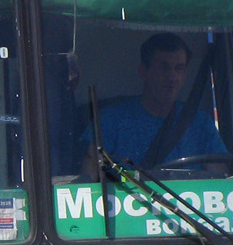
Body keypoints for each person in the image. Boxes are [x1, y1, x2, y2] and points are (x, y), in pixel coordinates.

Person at [83, 33, 225, 175]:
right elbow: (89, 181)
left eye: (179, 68)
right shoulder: (110, 121)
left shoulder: (201, 124)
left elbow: (221, 185)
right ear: (143, 71)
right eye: (164, 67)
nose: (172, 77)